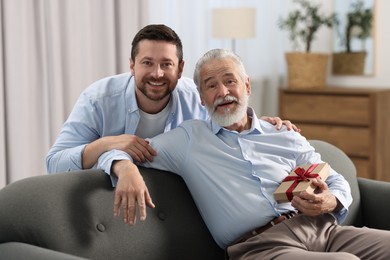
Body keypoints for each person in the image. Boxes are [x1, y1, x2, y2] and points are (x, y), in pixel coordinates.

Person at [106, 48, 390, 259]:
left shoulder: (283, 134)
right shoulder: (188, 139)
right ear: (202, 99)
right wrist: (124, 168)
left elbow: (334, 178)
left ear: (247, 86)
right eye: (211, 85)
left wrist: (329, 200)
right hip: (262, 247)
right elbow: (125, 150)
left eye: (230, 81)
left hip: (324, 230)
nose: (223, 91)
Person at [46, 24, 297, 174]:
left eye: (166, 64)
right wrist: (108, 144)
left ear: (180, 68)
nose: (157, 73)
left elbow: (229, 129)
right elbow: (55, 163)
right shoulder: (98, 99)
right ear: (132, 65)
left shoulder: (196, 97)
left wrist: (261, 125)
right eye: (147, 63)